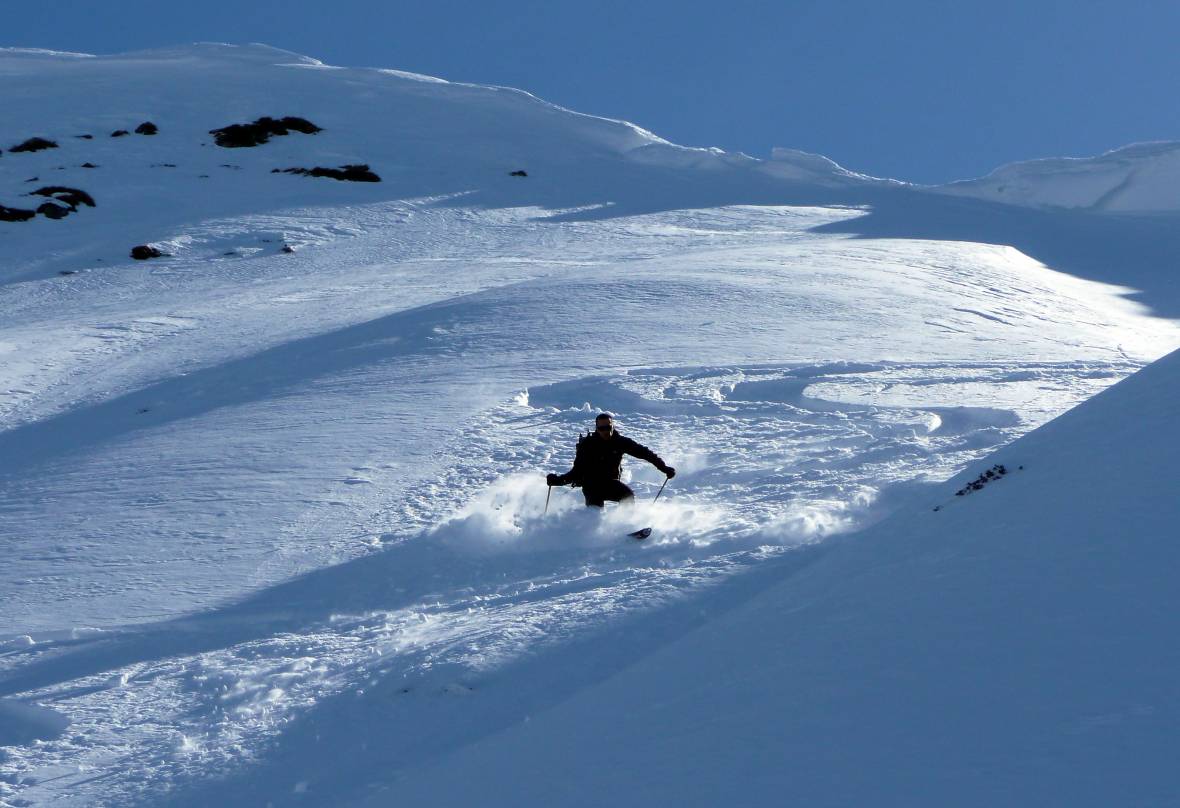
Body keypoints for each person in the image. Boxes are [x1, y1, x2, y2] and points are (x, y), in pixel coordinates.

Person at [546, 412, 675, 507]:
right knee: (594, 514)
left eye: (608, 427)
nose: (605, 431)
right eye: (602, 429)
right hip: (591, 486)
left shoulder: (620, 442)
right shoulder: (588, 445)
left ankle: (626, 526)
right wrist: (557, 481)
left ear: (613, 426)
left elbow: (646, 453)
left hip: (610, 483)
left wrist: (664, 468)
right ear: (597, 429)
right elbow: (577, 471)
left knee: (627, 496)